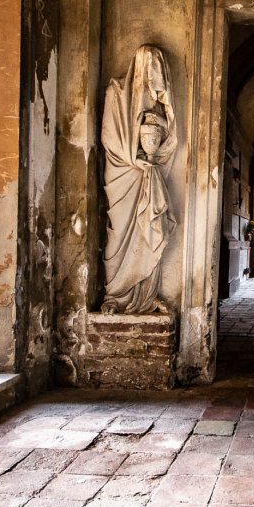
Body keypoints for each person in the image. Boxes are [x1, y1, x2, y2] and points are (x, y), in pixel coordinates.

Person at [100, 46, 177, 314]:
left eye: (161, 75)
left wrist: (160, 128)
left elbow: (169, 142)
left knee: (150, 231)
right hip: (124, 176)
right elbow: (109, 140)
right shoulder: (116, 93)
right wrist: (134, 160)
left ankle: (145, 297)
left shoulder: (159, 106)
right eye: (153, 74)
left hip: (149, 175)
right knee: (120, 233)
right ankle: (116, 295)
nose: (158, 83)